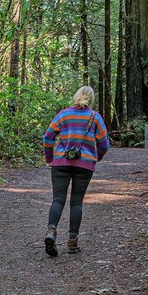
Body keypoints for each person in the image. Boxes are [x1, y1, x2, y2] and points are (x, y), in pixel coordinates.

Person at [41, 86, 111, 257]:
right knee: (76, 203)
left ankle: (51, 232)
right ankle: (72, 243)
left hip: (60, 163)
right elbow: (104, 144)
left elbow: (47, 137)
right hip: (84, 165)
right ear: (91, 99)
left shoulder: (63, 114)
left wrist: (50, 158)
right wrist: (97, 158)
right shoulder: (95, 117)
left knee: (58, 200)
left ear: (76, 96)